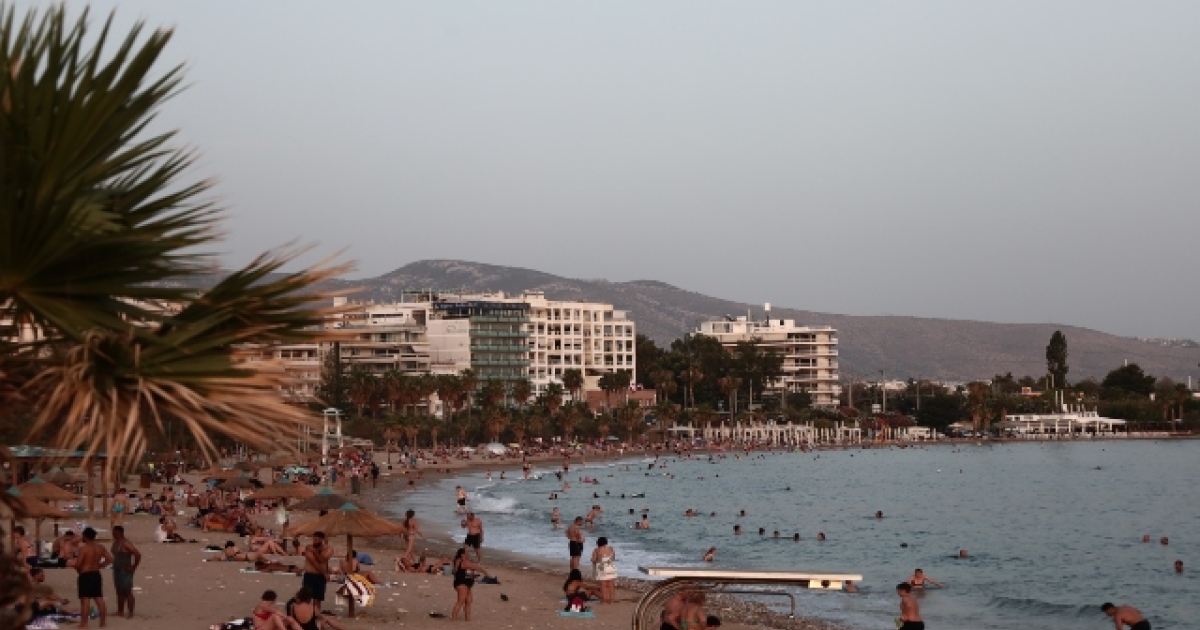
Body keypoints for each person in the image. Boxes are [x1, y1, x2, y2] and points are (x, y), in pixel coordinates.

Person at [76, 527, 112, 629]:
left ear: (86, 536)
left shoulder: (84, 549)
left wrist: (78, 569)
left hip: (86, 574)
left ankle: (84, 624)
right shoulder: (100, 547)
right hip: (96, 574)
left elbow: (79, 563)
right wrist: (100, 565)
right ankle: (102, 623)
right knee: (99, 598)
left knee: (85, 600)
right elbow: (110, 559)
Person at [450, 548, 489, 621]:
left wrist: (474, 576)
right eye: (466, 553)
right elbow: (475, 567)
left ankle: (468, 617)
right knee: (461, 600)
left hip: (466, 583)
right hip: (462, 583)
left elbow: (466, 572)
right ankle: (454, 618)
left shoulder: (459, 561)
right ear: (462, 555)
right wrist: (485, 572)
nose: (468, 554)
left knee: (469, 600)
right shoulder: (463, 562)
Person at [111, 526, 141, 618]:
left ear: (119, 533)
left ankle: (131, 612)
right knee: (119, 591)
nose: (113, 534)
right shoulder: (116, 543)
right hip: (117, 569)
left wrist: (134, 566)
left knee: (127, 591)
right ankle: (120, 611)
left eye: (115, 532)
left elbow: (137, 554)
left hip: (125, 570)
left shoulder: (126, 543)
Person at [302, 532, 333, 606]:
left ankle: (316, 612)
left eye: (316, 540)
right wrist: (324, 573)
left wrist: (314, 551)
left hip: (320, 576)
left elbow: (322, 559)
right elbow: (313, 562)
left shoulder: (328, 549)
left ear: (322, 540)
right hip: (309, 575)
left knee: (318, 599)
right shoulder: (309, 548)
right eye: (313, 539)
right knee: (306, 598)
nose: (314, 541)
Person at [591, 537, 617, 604]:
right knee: (611, 585)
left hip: (602, 568)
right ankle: (612, 600)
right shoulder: (611, 548)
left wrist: (595, 561)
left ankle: (604, 600)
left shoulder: (597, 550)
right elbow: (613, 558)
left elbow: (594, 559)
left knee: (603, 585)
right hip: (611, 567)